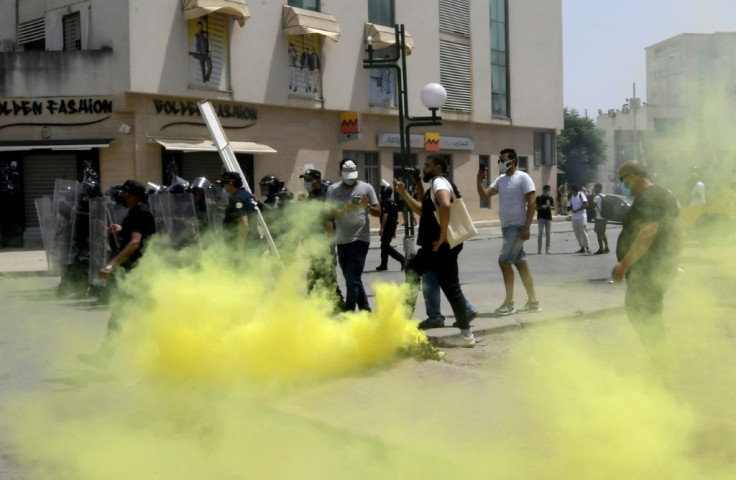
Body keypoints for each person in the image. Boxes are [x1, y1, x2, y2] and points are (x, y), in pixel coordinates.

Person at [394, 154, 476, 346]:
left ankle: (404, 324)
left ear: (438, 167)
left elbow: (445, 205)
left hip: (438, 246)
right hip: (441, 247)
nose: (424, 168)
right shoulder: (437, 185)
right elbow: (424, 210)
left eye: (427, 165)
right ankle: (467, 335)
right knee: (450, 288)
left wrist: (442, 236)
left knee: (413, 271)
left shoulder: (440, 182)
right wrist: (405, 193)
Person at [77, 180, 156, 368]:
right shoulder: (140, 211)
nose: (124, 196)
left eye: (127, 194)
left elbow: (135, 243)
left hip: (135, 274)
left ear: (134, 195)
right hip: (140, 272)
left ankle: (159, 358)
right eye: (124, 193)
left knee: (126, 317)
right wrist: (122, 229)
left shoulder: (139, 213)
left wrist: (111, 265)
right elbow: (138, 235)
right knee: (129, 316)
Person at [612, 161, 681, 372]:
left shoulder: (648, 197)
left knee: (641, 312)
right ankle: (659, 360)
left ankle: (661, 363)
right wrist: (674, 259)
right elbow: (678, 230)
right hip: (659, 267)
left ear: (631, 177)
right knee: (647, 312)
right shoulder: (665, 194)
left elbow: (648, 232)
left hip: (648, 270)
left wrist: (623, 265)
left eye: (622, 180)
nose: (623, 185)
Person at [477, 148, 540, 315]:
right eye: (499, 159)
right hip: (507, 228)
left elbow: (532, 203)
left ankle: (509, 303)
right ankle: (533, 302)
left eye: (503, 159)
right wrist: (479, 181)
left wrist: (527, 227)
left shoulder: (523, 178)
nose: (500, 163)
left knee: (504, 262)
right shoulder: (500, 180)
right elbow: (484, 195)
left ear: (513, 162)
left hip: (517, 226)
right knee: (520, 264)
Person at [327, 160, 380, 312]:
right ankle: (365, 309)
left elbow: (378, 211)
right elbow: (328, 214)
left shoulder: (366, 188)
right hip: (342, 240)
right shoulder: (333, 189)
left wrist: (367, 206)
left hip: (360, 239)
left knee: (352, 279)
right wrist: (345, 208)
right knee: (352, 279)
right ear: (340, 173)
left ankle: (348, 312)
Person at [300, 169, 344, 309]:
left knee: (327, 272)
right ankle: (314, 299)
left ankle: (337, 302)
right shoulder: (311, 195)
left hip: (323, 240)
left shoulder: (325, 195)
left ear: (317, 181)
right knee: (315, 271)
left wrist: (327, 244)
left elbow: (329, 221)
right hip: (313, 240)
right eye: (305, 179)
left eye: (308, 180)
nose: (305, 182)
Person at [219, 171, 260, 252]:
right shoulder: (248, 195)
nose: (223, 186)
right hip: (253, 241)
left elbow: (243, 224)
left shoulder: (238, 199)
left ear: (230, 183)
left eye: (224, 183)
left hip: (245, 245)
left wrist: (239, 249)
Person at [375, 183, 405, 271]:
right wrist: (394, 230)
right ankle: (383, 265)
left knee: (385, 246)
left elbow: (385, 215)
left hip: (387, 227)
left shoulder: (385, 202)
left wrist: (382, 228)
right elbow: (395, 217)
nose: (380, 193)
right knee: (384, 246)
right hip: (391, 227)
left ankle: (402, 259)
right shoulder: (393, 202)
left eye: (382, 191)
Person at [569, 184, 591, 254]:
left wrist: (577, 210)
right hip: (574, 218)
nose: (569, 191)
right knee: (577, 233)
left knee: (584, 232)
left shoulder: (581, 195)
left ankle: (587, 247)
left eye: (570, 189)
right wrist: (571, 209)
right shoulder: (571, 197)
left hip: (582, 217)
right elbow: (571, 206)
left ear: (573, 190)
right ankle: (582, 247)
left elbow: (586, 204)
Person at [535, 184, 554, 254]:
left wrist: (550, 207)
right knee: (540, 234)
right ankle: (539, 250)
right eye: (548, 190)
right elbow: (536, 207)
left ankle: (547, 250)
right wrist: (541, 207)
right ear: (544, 190)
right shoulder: (538, 198)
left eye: (549, 190)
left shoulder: (550, 198)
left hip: (548, 218)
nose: (549, 191)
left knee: (548, 234)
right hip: (541, 218)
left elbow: (553, 207)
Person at [592, 183, 610, 254]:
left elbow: (591, 203)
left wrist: (592, 192)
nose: (594, 189)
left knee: (599, 234)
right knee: (603, 233)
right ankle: (606, 247)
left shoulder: (597, 197)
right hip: (605, 217)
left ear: (598, 189)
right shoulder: (604, 195)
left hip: (599, 218)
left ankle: (601, 249)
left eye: (595, 188)